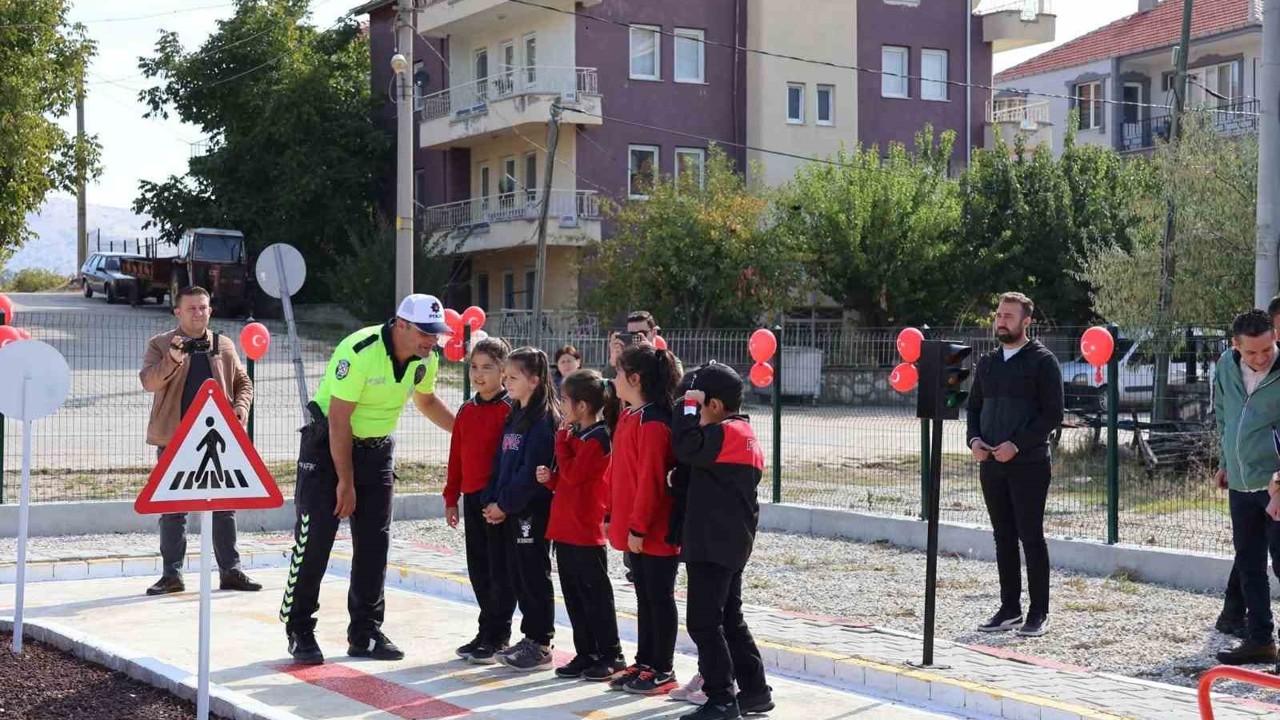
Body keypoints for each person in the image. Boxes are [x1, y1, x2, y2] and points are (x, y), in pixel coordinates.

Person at [280, 294, 455, 665]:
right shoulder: (358, 350)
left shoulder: (427, 359)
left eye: (437, 333)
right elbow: (340, 420)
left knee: (375, 545)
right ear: (402, 325)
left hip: (377, 453)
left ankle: (366, 632)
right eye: (426, 333)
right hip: (328, 448)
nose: (433, 341)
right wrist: (345, 481)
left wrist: (466, 433)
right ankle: (299, 629)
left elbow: (426, 401)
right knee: (314, 542)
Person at [139, 285, 258, 596]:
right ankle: (171, 575)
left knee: (224, 507)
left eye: (203, 307)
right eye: (191, 308)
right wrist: (173, 358)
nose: (198, 313)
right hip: (175, 440)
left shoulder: (223, 345)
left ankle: (231, 572)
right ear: (177, 312)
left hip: (217, 440)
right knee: (173, 508)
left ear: (210, 310)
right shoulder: (161, 344)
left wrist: (241, 406)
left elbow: (243, 381)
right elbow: (149, 382)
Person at [673, 363, 774, 720]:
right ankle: (755, 691)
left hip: (713, 544)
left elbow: (685, 446)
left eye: (696, 405)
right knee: (730, 618)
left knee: (703, 621)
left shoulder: (725, 432)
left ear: (713, 405)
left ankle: (720, 698)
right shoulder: (742, 433)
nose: (691, 413)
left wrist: (685, 406)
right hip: (730, 542)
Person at [966, 292, 1063, 638]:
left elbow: (1052, 414)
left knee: (1030, 536)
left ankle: (1038, 612)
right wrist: (974, 441)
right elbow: (974, 408)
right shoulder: (988, 363)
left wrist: (1017, 444)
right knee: (1002, 536)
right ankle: (1009, 609)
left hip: (1029, 465)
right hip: (991, 464)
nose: (1001, 321)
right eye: (999, 315)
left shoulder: (1042, 361)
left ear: (1026, 322)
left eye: (1009, 316)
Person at [535, 369, 624, 681]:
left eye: (565, 400)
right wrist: (551, 480)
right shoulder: (579, 435)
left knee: (595, 594)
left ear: (583, 406)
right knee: (573, 594)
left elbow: (576, 474)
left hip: (585, 529)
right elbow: (568, 481)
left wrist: (561, 441)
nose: (561, 406)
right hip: (566, 527)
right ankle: (586, 651)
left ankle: (611, 654)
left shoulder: (599, 438)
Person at [606, 343, 682, 695]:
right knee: (643, 597)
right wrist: (610, 514)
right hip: (636, 528)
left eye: (618, 373)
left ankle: (663, 669)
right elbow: (619, 474)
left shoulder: (653, 424)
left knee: (659, 598)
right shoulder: (628, 415)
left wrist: (638, 527)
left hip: (654, 530)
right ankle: (646, 662)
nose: (613, 379)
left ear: (634, 379)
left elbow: (651, 482)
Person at [485, 347, 560, 672]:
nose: (507, 383)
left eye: (513, 377)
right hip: (511, 511)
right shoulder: (515, 413)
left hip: (531, 511)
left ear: (534, 380)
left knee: (533, 575)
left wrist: (506, 504)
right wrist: (493, 499)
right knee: (518, 575)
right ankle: (529, 637)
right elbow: (502, 462)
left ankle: (540, 642)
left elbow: (532, 472)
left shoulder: (543, 420)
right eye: (506, 377)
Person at [1213, 309, 1280, 665]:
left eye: (1267, 349)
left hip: (1276, 487)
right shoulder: (1225, 365)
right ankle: (1260, 640)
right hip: (1241, 484)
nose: (1261, 358)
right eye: (1251, 352)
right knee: (1249, 566)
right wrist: (1226, 463)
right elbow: (1224, 415)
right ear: (1236, 345)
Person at [445, 338, 515, 665]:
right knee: (478, 568)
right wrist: (451, 496)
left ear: (503, 371)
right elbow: (456, 456)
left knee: (499, 569)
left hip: (498, 503)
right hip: (472, 499)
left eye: (487, 367)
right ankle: (485, 629)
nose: (479, 374)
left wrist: (502, 501)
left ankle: (499, 634)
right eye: (474, 366)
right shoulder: (466, 410)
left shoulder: (511, 410)